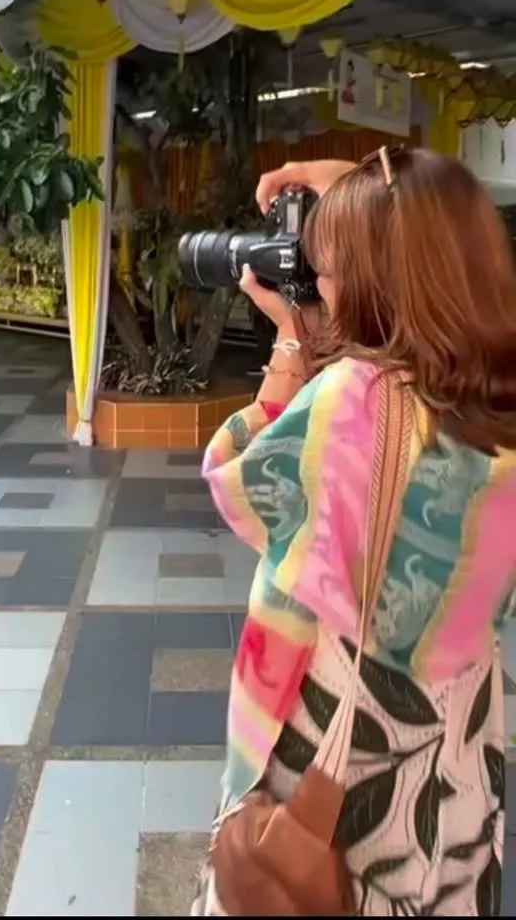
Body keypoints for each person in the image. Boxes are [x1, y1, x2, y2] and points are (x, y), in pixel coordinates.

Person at [193, 147, 516, 917]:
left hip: (338, 746)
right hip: (455, 743)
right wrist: (384, 199)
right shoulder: (499, 404)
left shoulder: (354, 398)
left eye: (333, 271)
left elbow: (237, 483)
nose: (324, 287)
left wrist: (290, 345)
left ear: (383, 279)